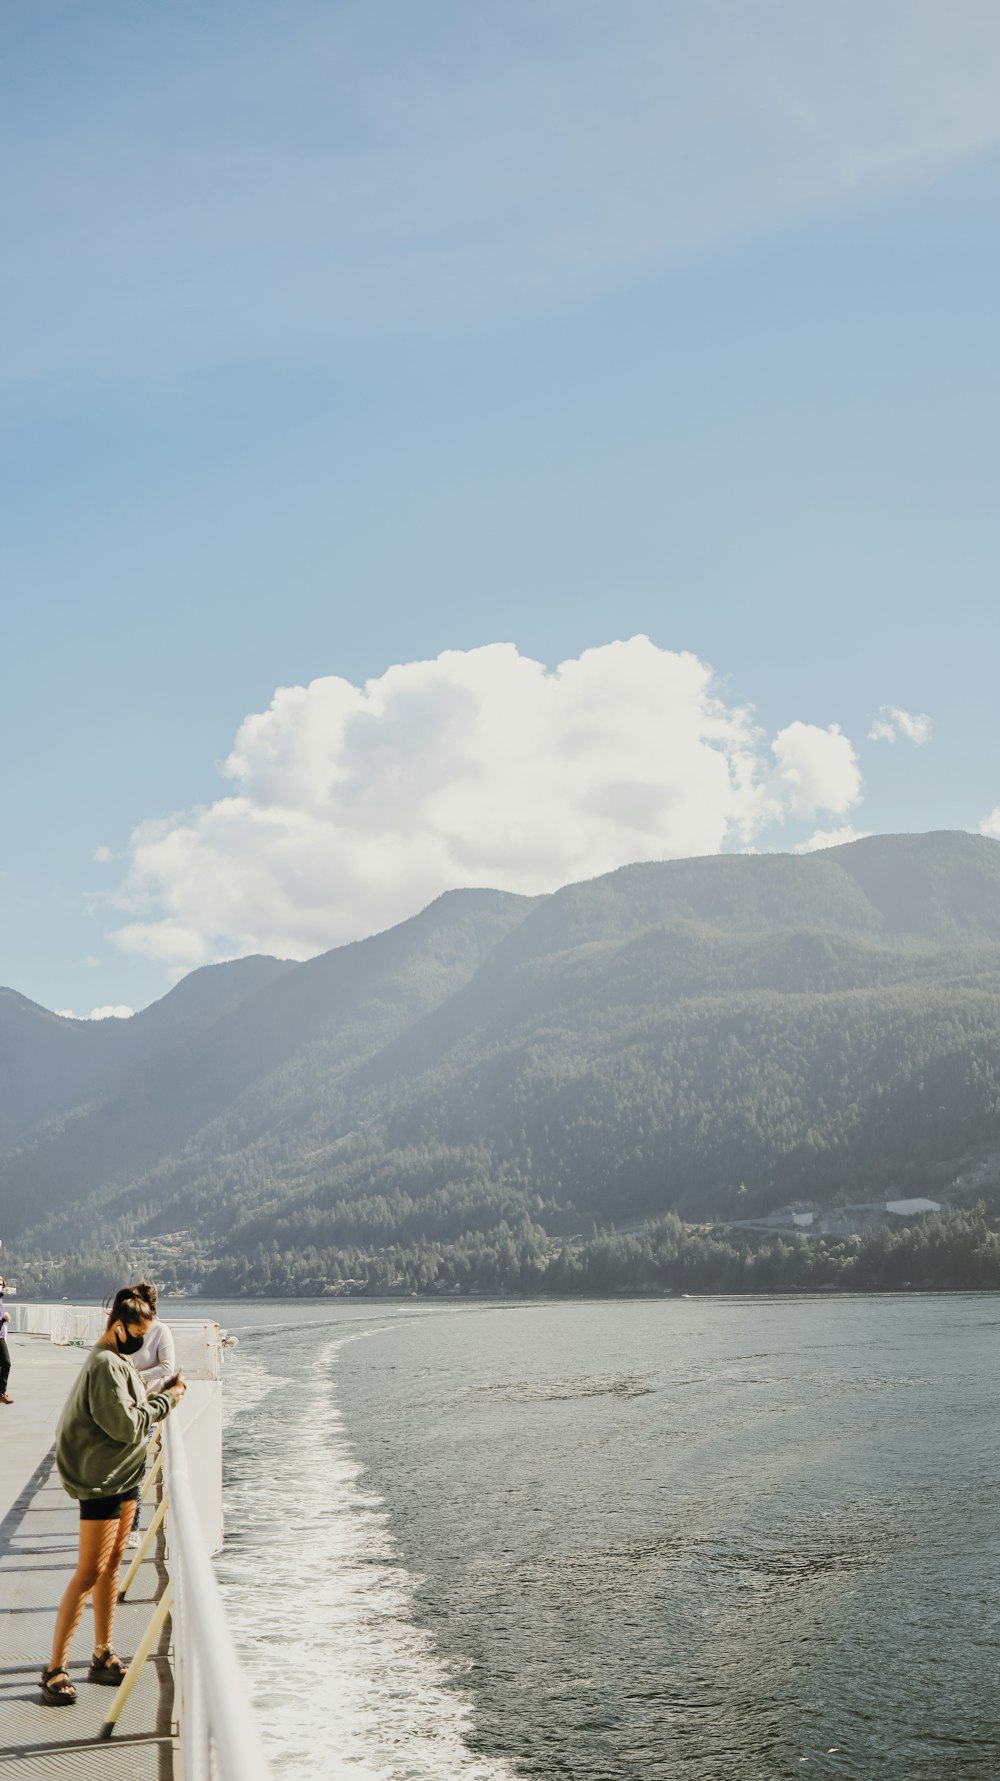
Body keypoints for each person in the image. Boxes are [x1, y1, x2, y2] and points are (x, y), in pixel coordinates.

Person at [40, 1286, 186, 1706]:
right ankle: (53, 1669)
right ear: (119, 1327)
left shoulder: (119, 1360)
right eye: (138, 1333)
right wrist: (168, 1399)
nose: (142, 1342)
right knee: (89, 1572)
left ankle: (103, 1653)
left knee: (110, 1568)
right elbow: (125, 1426)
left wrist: (157, 1396)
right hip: (102, 1480)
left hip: (122, 1478)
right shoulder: (105, 1364)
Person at [0, 1276, 11, 1404]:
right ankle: (1, 1393)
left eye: (1, 1283)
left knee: (5, 1363)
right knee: (6, 1363)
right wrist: (4, 1319)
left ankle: (2, 1393)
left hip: (1, 1335)